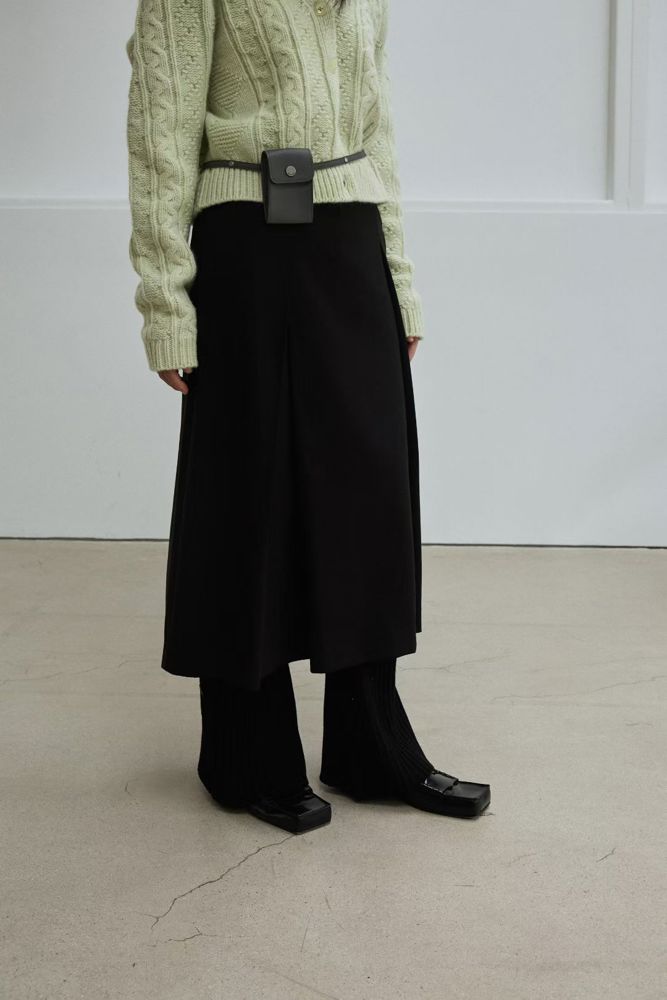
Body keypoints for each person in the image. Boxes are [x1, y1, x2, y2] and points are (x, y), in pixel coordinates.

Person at [125, 0, 490, 834]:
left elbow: (375, 129)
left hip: (350, 241)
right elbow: (159, 136)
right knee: (249, 495)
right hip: (246, 244)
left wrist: (399, 279)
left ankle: (370, 745)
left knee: (369, 495)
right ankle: (245, 751)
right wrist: (166, 306)